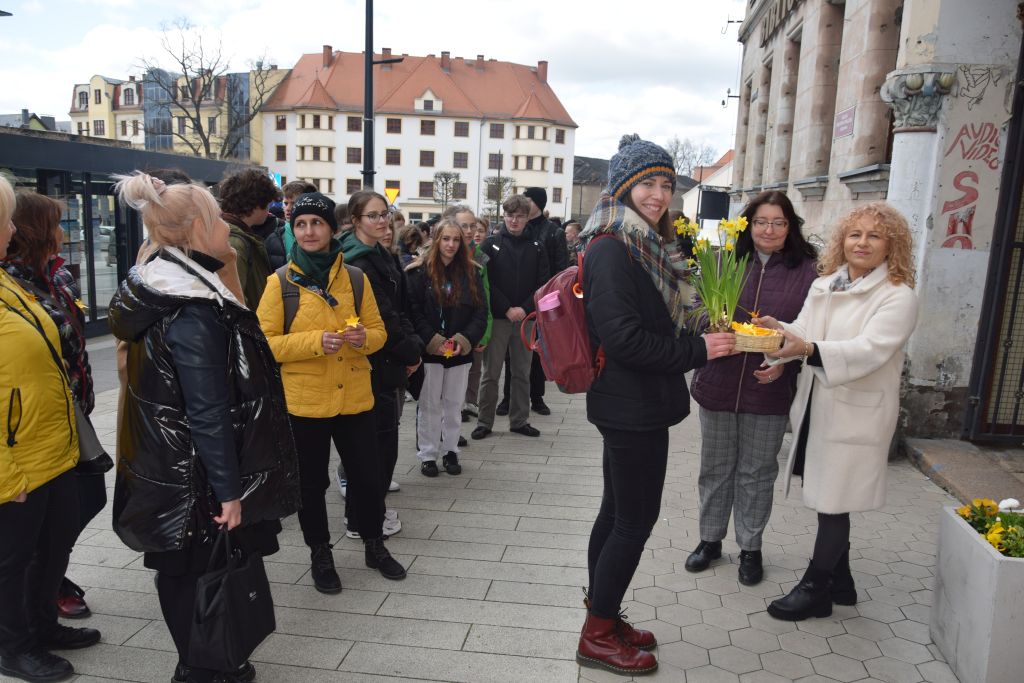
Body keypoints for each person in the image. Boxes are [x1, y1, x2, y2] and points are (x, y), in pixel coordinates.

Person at [108, 172, 300, 683]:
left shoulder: (177, 288)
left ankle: (208, 662)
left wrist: (231, 264)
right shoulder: (192, 311)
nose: (225, 228)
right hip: (191, 474)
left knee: (189, 567)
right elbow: (207, 411)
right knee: (192, 570)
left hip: (174, 467)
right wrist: (229, 490)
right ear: (197, 228)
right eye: (216, 218)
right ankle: (200, 667)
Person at [575, 135, 736, 675]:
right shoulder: (611, 249)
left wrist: (702, 327)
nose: (659, 194)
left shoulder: (640, 246)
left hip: (633, 403)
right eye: (648, 183)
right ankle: (597, 634)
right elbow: (624, 340)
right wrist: (699, 349)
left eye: (666, 184)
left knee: (615, 513)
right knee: (633, 521)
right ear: (622, 188)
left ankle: (603, 615)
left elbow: (647, 324)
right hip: (630, 405)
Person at [753, 202, 918, 621]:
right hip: (818, 407)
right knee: (830, 493)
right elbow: (806, 331)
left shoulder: (898, 296)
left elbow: (870, 351)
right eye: (854, 234)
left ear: (891, 246)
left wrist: (807, 349)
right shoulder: (826, 284)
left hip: (856, 414)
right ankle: (841, 582)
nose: (862, 243)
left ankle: (815, 588)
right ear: (842, 241)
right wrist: (780, 332)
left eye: (874, 236)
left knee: (833, 501)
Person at [256, 192, 407, 593]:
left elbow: (379, 332)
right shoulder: (280, 283)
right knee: (311, 484)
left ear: (331, 228)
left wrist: (363, 338)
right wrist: (311, 342)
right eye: (301, 224)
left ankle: (375, 545)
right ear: (293, 230)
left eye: (316, 223)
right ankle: (319, 553)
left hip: (355, 396)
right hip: (305, 402)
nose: (309, 231)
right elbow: (265, 343)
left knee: (367, 477)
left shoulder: (355, 278)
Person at [684, 191, 818, 586]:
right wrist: (708, 324)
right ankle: (710, 541)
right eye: (761, 222)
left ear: (790, 227)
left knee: (758, 471)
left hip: (770, 388)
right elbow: (693, 312)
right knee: (715, 468)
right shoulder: (721, 261)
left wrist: (784, 361)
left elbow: (813, 332)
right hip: (718, 382)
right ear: (747, 224)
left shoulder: (808, 271)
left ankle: (750, 548)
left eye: (778, 223)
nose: (769, 230)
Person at [0, 177, 100, 683]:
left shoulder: (11, 284)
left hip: (52, 444)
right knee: (12, 559)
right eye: (4, 220)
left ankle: (42, 626)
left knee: (53, 541)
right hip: (17, 457)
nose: (11, 228)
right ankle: (14, 648)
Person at [338, 191, 422, 539]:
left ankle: (369, 511)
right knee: (372, 446)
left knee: (382, 444)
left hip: (386, 359)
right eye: (372, 216)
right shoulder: (358, 261)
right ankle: (361, 518)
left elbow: (400, 309)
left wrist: (411, 347)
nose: (382, 221)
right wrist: (412, 352)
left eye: (384, 213)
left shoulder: (378, 253)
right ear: (356, 220)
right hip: (369, 361)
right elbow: (384, 317)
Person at [407, 219, 489, 477]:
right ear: (436, 239)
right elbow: (413, 311)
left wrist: (463, 340)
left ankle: (450, 450)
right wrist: (434, 341)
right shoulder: (418, 272)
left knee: (454, 404)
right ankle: (429, 454)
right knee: (429, 404)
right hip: (430, 351)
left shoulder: (472, 272)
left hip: (459, 352)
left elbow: (481, 312)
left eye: (456, 240)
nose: (451, 245)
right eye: (446, 239)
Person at [471, 195, 549, 441]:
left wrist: (525, 309)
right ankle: (484, 421)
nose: (514, 221)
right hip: (498, 318)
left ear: (528, 218)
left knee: (522, 372)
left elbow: (543, 283)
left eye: (520, 216)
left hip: (526, 320)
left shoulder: (537, 247)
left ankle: (519, 420)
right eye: (510, 215)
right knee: (490, 373)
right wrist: (506, 308)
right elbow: (485, 283)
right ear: (503, 216)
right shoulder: (489, 245)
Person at [495, 187, 567, 417]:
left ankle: (537, 397)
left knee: (538, 351)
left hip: (542, 301)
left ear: (536, 204)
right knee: (511, 355)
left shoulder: (553, 232)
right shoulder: (508, 230)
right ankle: (508, 399)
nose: (516, 217)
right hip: (511, 303)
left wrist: (553, 298)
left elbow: (560, 268)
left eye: (528, 199)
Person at [218, 168, 280, 308]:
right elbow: (233, 298)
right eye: (268, 204)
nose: (268, 210)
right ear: (257, 204)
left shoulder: (232, 235)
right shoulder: (234, 241)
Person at [265, 180, 317, 269]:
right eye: (285, 203)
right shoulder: (274, 237)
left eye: (294, 203)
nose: (288, 208)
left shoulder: (322, 234)